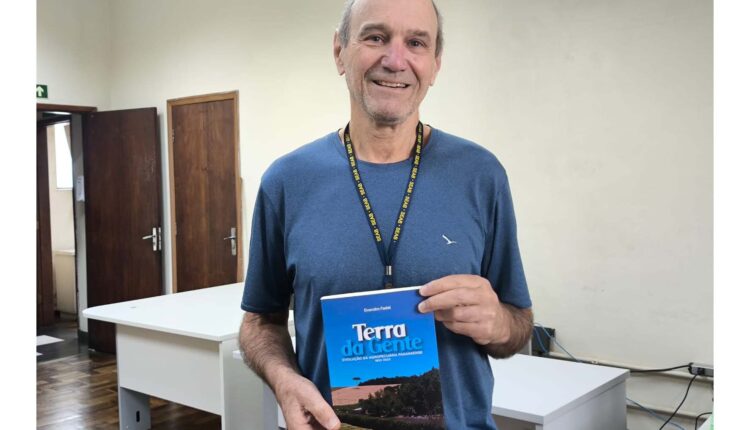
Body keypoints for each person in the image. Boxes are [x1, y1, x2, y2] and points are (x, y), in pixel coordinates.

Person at [238, 0, 533, 428]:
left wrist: (499, 325)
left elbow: (519, 323)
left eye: (416, 43)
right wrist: (283, 379)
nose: (395, 60)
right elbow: (259, 321)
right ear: (340, 52)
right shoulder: (286, 182)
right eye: (376, 37)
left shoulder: (481, 175)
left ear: (435, 64)